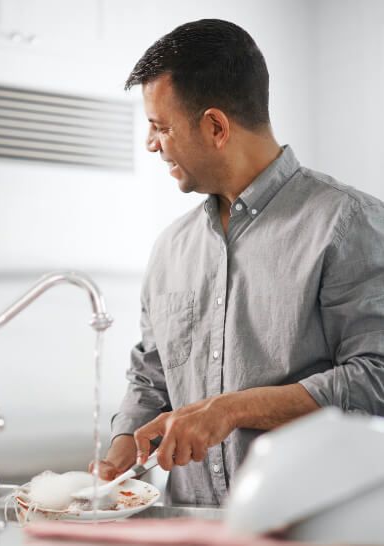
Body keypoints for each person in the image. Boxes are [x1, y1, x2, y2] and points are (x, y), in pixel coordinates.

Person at [97, 19, 384, 505]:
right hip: (192, 527)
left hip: (313, 529)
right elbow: (151, 375)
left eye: (162, 127)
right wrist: (124, 441)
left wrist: (232, 410)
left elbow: (376, 377)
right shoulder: (171, 247)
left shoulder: (347, 222)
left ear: (215, 126)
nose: (151, 144)